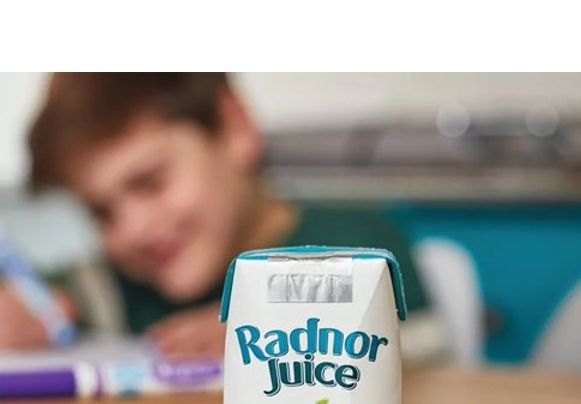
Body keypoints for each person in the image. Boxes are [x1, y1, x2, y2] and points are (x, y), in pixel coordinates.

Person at [2, 73, 434, 358]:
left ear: (234, 128)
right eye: (101, 213)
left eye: (151, 183)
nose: (133, 230)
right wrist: (29, 311)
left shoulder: (361, 245)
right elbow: (47, 296)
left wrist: (282, 334)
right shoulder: (113, 285)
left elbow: (419, 349)